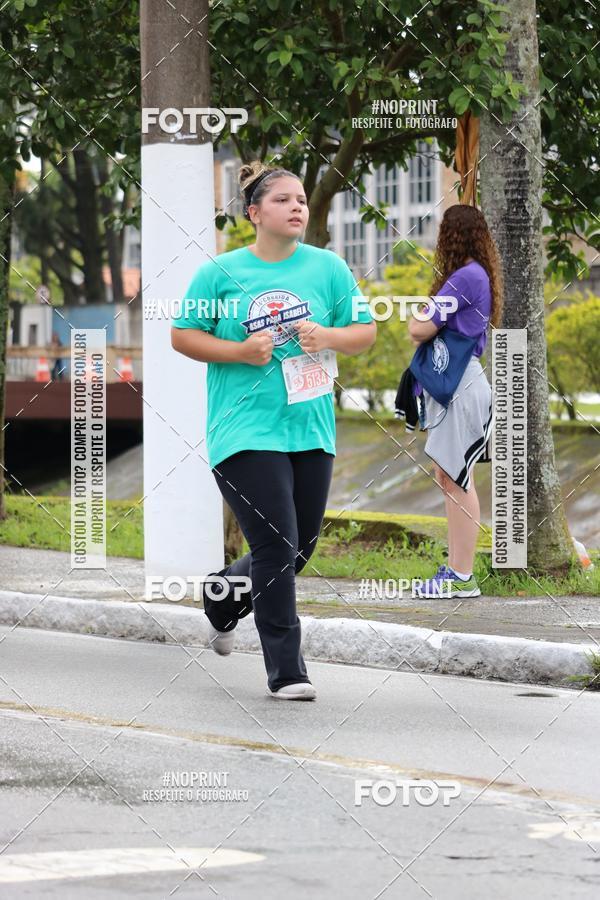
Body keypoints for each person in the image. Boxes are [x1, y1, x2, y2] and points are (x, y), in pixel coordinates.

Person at [171, 161, 376, 700]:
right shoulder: (220, 272)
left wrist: (328, 336)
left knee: (297, 549)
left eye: (301, 199)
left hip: (310, 429)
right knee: (277, 543)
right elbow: (183, 335)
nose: (297, 207)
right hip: (243, 430)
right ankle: (287, 671)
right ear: (255, 213)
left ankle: (222, 594)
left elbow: (365, 331)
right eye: (283, 200)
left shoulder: (328, 268)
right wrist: (240, 351)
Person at [407, 204, 504, 598]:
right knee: (450, 477)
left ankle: (461, 577)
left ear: (451, 234)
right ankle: (457, 572)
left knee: (457, 478)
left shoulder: (465, 277)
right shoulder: (477, 275)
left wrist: (420, 315)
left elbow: (419, 328)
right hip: (461, 384)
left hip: (460, 386)